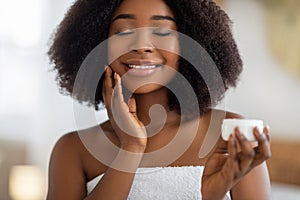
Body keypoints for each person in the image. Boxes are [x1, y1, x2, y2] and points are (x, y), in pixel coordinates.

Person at [46, 0, 272, 199]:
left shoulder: (230, 138)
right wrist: (131, 148)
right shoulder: (73, 150)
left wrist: (211, 194)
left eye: (162, 32)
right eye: (123, 31)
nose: (142, 46)